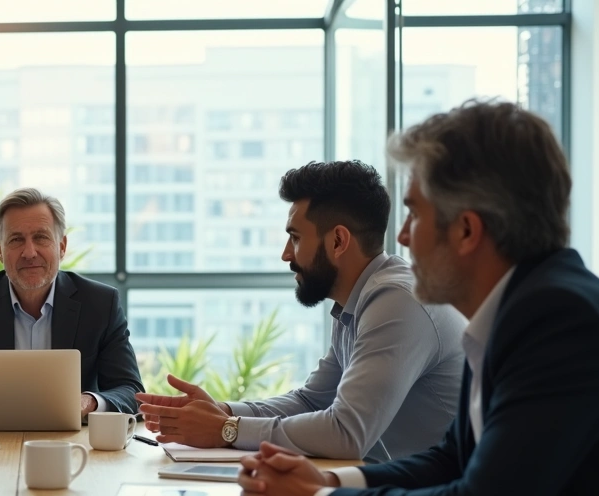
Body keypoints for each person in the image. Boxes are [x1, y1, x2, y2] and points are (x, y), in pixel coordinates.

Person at [238, 101, 599, 496]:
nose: (405, 236)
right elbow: (450, 459)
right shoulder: (516, 310)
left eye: (414, 212)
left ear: (465, 231)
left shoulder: (558, 319)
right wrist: (329, 480)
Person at [138, 161, 466, 461]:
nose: (285, 255)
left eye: (295, 238)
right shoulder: (358, 300)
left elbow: (346, 433)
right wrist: (218, 411)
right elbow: (312, 401)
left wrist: (227, 429)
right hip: (391, 490)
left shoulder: (397, 301)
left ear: (338, 241)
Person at [0, 187, 144, 423]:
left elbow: (131, 392)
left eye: (41, 237)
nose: (29, 252)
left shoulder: (99, 304)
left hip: (74, 448)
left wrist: (88, 402)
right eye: (16, 240)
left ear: (62, 246)